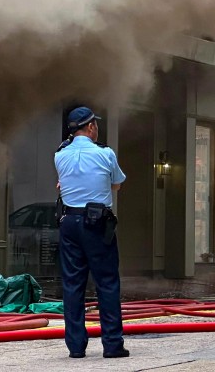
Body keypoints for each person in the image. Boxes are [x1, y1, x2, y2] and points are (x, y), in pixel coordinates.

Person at [55, 106, 129, 359]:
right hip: (96, 223)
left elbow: (62, 184)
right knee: (106, 283)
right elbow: (117, 184)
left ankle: (76, 347)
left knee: (73, 284)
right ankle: (112, 345)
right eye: (95, 124)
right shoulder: (105, 153)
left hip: (69, 222)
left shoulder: (60, 155)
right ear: (91, 127)